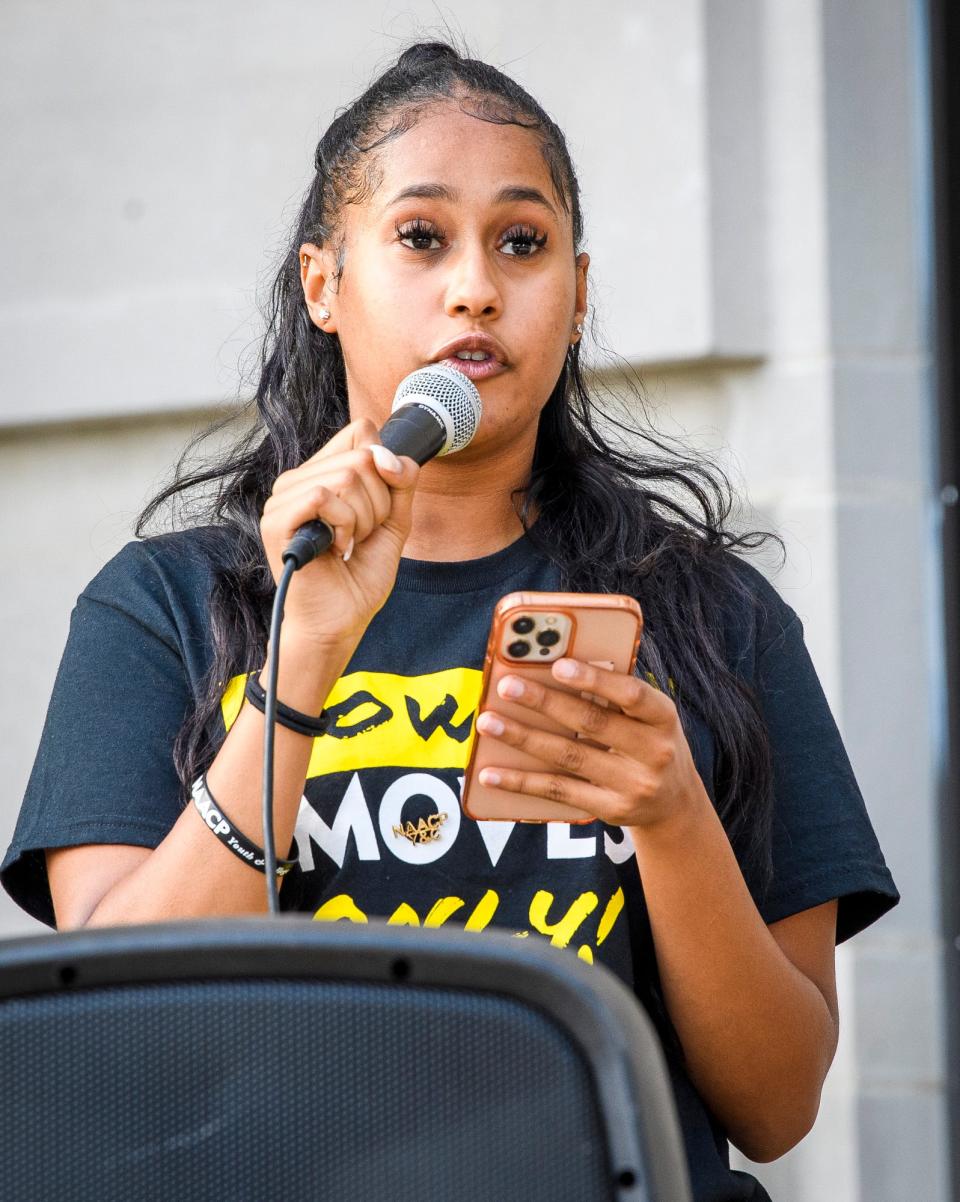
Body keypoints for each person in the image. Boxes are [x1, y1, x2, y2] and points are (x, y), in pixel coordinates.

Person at [2, 40, 899, 1200]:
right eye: (422, 238)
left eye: (521, 243)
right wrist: (303, 657)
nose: (475, 284)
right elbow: (118, 1050)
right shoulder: (163, 607)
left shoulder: (714, 615)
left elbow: (776, 1108)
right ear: (324, 285)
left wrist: (671, 814)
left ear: (577, 295)